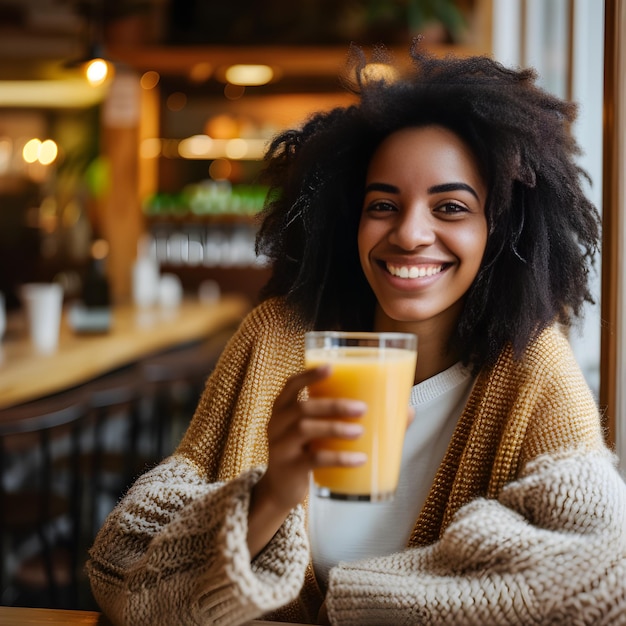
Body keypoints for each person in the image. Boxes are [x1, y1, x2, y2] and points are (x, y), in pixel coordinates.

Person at [87, 44, 626, 625]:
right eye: (383, 204)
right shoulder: (278, 340)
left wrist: (351, 603)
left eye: (450, 207)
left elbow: (604, 572)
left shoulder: (527, 362)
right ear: (351, 220)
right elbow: (123, 570)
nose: (410, 233)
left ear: (499, 230)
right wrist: (271, 494)